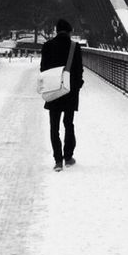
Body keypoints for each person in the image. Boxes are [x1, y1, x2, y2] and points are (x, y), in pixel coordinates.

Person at [39, 18, 84, 171]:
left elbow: (43, 69)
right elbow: (79, 70)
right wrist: (77, 87)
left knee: (54, 126)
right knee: (69, 123)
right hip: (69, 90)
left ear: (56, 31)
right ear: (70, 31)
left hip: (53, 89)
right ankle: (69, 157)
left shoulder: (47, 46)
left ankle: (58, 161)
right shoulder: (74, 47)